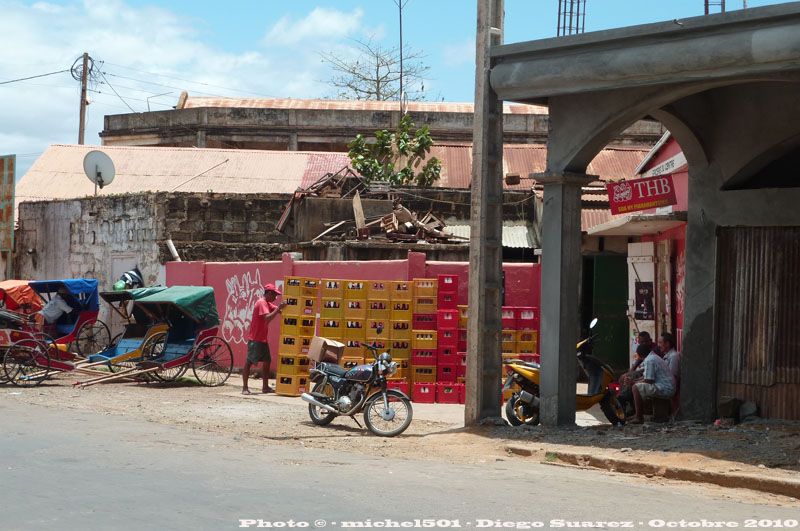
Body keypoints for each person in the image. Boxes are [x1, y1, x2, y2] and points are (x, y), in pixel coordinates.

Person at [242, 283, 286, 395]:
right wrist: (279, 308)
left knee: (267, 361)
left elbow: (279, 310)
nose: (276, 298)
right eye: (275, 295)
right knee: (249, 362)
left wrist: (285, 308)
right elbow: (267, 318)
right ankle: (245, 388)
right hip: (255, 339)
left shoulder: (267, 303)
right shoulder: (262, 303)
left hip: (262, 339)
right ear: (269, 294)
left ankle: (265, 387)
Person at [625, 343, 676, 424]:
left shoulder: (650, 360)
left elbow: (649, 380)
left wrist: (633, 383)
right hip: (665, 386)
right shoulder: (653, 357)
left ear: (640, 356)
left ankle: (639, 417)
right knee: (636, 385)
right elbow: (646, 376)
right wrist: (634, 380)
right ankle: (640, 414)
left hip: (665, 388)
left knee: (635, 388)